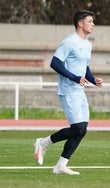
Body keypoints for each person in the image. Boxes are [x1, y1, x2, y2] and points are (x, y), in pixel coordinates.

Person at [34, 10, 103, 175]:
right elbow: (55, 63)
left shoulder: (88, 44)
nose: (93, 24)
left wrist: (94, 80)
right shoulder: (69, 42)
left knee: (82, 129)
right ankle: (43, 143)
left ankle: (61, 165)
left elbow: (84, 68)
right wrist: (73, 77)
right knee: (78, 128)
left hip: (79, 91)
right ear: (80, 23)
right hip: (67, 91)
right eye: (90, 21)